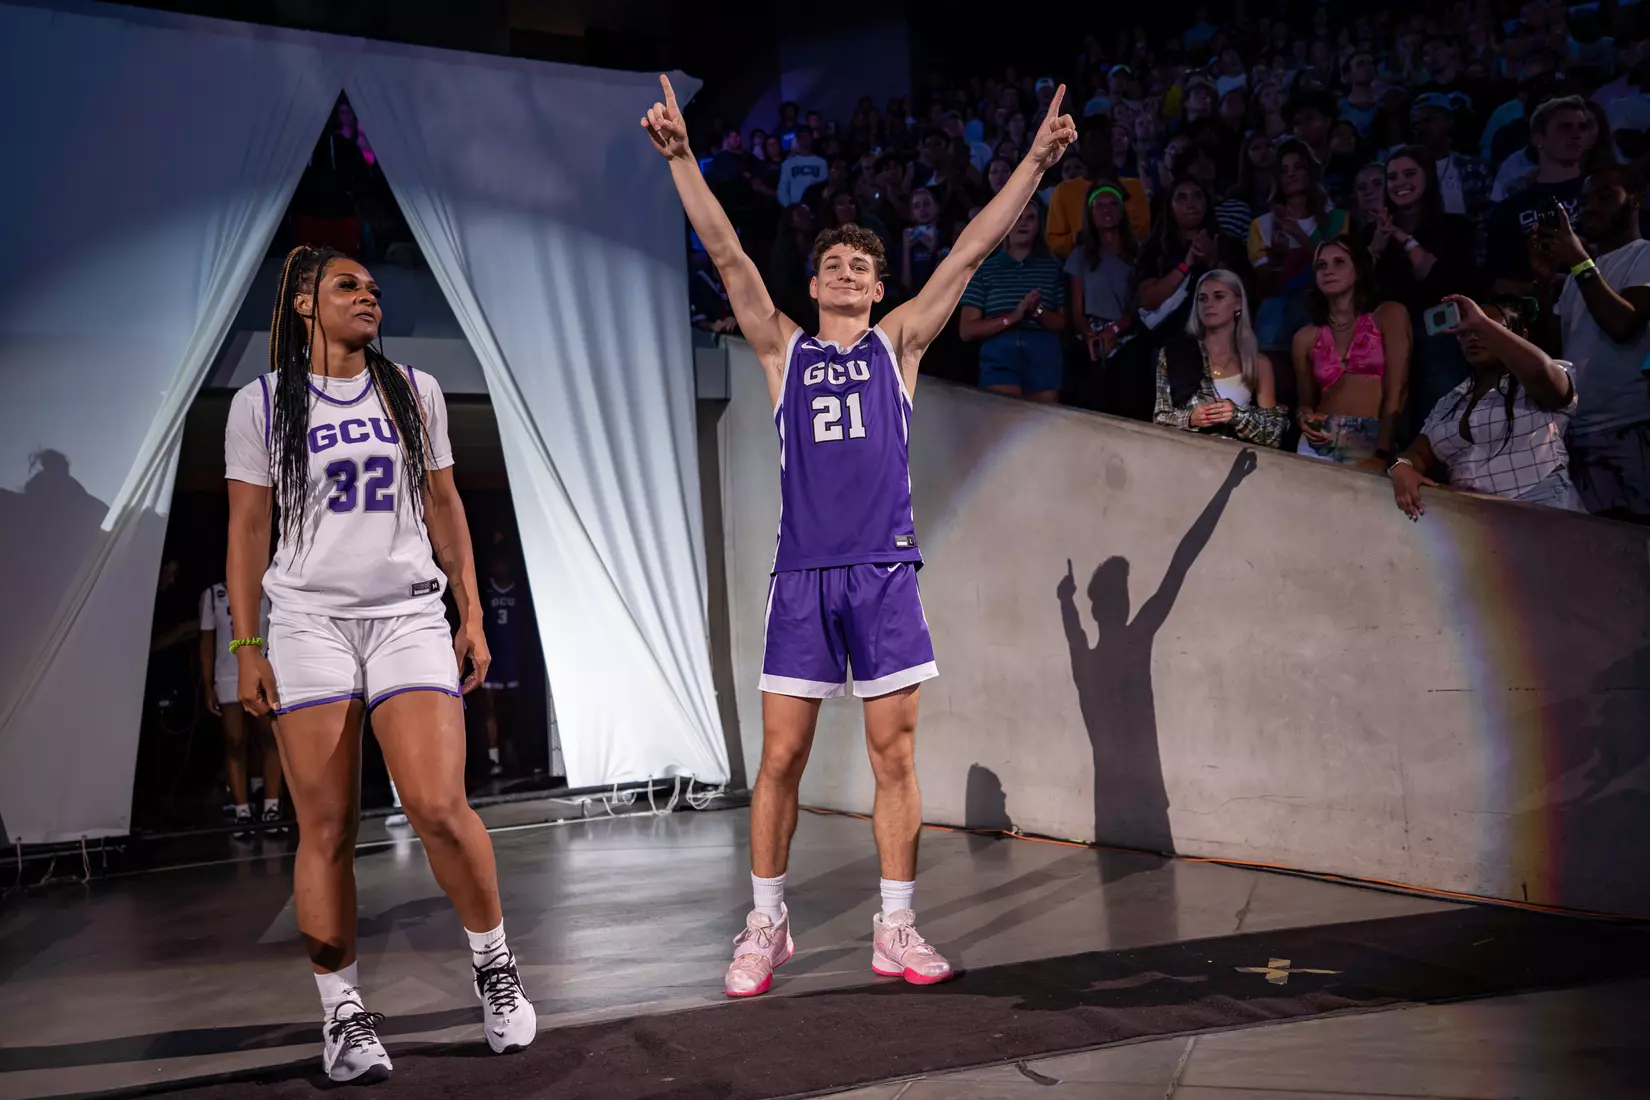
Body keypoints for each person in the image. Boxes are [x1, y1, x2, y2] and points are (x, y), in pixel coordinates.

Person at [643, 74, 1076, 998]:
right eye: (831, 264)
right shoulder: (781, 351)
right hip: (802, 577)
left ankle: (897, 925)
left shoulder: (898, 346)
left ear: (880, 289)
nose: (844, 273)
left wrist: (1036, 162)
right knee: (782, 760)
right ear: (813, 283)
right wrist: (683, 160)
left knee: (894, 759)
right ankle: (766, 924)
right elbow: (724, 252)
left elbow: (968, 250)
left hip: (883, 574)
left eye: (860, 268)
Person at [224, 244, 535, 1082]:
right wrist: (247, 644)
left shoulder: (413, 391)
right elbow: (249, 532)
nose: (370, 297)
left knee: (437, 804)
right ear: (300, 305)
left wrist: (468, 610)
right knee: (325, 827)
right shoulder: (262, 404)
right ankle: (344, 1016)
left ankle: (495, 966)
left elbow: (444, 505)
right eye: (347, 286)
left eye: (373, 287)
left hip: (406, 615)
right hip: (308, 624)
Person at [1388, 295, 1580, 517]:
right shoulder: (1451, 401)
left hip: (1543, 515)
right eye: (1466, 331)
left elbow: (1542, 374)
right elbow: (1418, 453)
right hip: (1478, 524)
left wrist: (1480, 321)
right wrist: (1400, 466)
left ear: (1521, 336)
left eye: (1488, 328)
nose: (1474, 336)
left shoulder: (1539, 379)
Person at [1536, 165, 1650, 522]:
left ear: (1636, 199)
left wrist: (1577, 261)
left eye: (1605, 196)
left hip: (1629, 429)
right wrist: (1542, 282)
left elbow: (1623, 323)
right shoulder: (1577, 275)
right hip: (1580, 435)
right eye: (1585, 200)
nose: (1591, 207)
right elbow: (1553, 353)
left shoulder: (1644, 254)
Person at [1366, 147, 1480, 434]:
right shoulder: (1370, 232)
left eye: (1409, 174)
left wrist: (1403, 238)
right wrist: (1377, 245)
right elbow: (1359, 287)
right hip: (1387, 337)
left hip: (1437, 333)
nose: (1399, 182)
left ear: (1427, 177)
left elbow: (1442, 283)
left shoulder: (1454, 226)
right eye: (1392, 177)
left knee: (1440, 416)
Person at [1291, 240, 1412, 467]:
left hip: (1370, 438)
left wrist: (1382, 453)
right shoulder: (1304, 337)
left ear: (1358, 270)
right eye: (1321, 265)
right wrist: (1303, 417)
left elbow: (1398, 390)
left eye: (1339, 262)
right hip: (1319, 438)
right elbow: (1305, 402)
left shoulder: (1389, 315)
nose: (1329, 271)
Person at [1153, 269, 1288, 446]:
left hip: (1233, 463)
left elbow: (1273, 434)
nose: (1208, 304)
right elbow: (1160, 418)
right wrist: (1191, 418)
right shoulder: (1174, 353)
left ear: (1238, 303)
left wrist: (1235, 415)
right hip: (1186, 457)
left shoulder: (1258, 363)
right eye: (1202, 298)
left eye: (1219, 296)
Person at [959, 199, 1069, 401]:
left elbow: (1062, 323)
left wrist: (1037, 312)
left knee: (1044, 425)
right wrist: (1013, 317)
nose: (1023, 223)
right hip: (1000, 351)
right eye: (1017, 217)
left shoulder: (1053, 267)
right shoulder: (984, 269)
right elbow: (967, 330)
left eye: (1030, 218)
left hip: (1043, 352)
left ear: (1039, 225)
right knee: (1003, 422)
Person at [1249, 140, 1349, 353]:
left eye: (1298, 167)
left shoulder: (1337, 219)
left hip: (1324, 302)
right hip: (1278, 309)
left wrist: (1299, 234)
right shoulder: (1261, 226)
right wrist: (1277, 260)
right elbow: (1266, 289)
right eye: (1284, 170)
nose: (1291, 174)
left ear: (1310, 172)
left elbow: (1340, 269)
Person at [199, 581, 282, 835]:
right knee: (235, 742)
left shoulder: (269, 588)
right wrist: (207, 684)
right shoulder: (213, 595)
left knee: (269, 738)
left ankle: (271, 808)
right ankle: (242, 811)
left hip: (262, 673)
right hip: (227, 676)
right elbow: (207, 641)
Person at [1486, 96, 1590, 293]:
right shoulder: (1509, 209)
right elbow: (1498, 284)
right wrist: (1546, 284)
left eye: (1582, 127)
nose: (1576, 134)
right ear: (1538, 139)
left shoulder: (1602, 192)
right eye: (1565, 127)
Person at [480, 555, 528, 778]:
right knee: (491, 711)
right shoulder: (486, 593)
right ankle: (494, 758)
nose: (501, 565)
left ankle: (515, 753)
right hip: (493, 659)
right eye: (497, 562)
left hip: (512, 658)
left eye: (504, 561)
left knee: (514, 710)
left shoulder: (518, 592)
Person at [776, 128, 828, 209]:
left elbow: (824, 186)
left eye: (806, 137)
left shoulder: (822, 162)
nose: (804, 140)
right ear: (797, 140)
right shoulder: (788, 163)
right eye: (801, 137)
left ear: (812, 139)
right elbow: (783, 188)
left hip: (816, 208)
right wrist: (789, 207)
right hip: (794, 207)